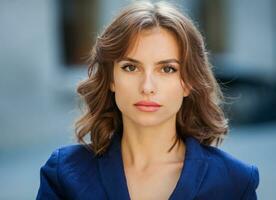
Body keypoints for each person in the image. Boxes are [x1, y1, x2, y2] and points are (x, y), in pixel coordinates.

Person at [36, 1, 259, 200]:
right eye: (130, 67)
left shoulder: (234, 182)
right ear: (112, 79)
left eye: (167, 69)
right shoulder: (64, 173)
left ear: (188, 83)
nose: (147, 87)